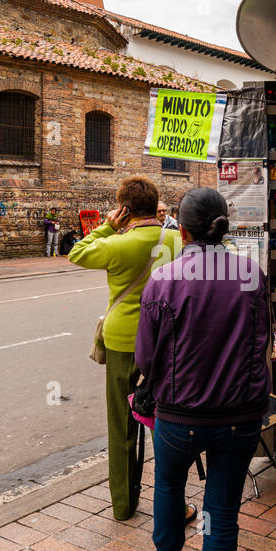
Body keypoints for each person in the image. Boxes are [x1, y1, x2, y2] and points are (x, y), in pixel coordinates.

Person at [137, 187, 269, 551]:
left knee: (168, 487)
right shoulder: (251, 275)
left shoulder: (164, 279)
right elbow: (262, 344)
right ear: (223, 226)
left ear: (183, 229)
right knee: (221, 519)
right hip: (236, 417)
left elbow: (146, 356)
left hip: (176, 416)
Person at [69, 177, 183, 520]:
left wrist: (106, 227)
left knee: (121, 426)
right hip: (167, 341)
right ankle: (172, 502)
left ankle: (123, 504)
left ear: (124, 210)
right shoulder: (179, 241)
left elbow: (76, 253)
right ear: (156, 205)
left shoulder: (117, 245)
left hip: (123, 342)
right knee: (169, 423)